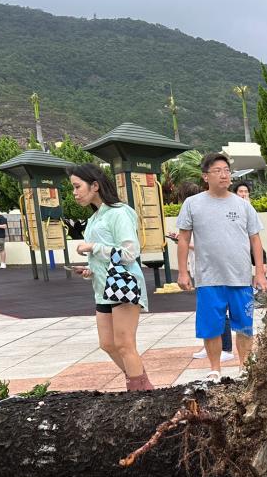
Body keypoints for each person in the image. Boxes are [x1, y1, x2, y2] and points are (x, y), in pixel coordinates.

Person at [176, 153, 267, 381]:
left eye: (227, 170)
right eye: (218, 170)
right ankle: (215, 368)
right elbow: (184, 239)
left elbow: (255, 239)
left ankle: (245, 367)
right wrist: (183, 271)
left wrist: (259, 272)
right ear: (205, 176)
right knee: (211, 327)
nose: (224, 174)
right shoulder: (193, 204)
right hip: (208, 279)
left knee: (245, 326)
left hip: (240, 278)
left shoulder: (243, 205)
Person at [70, 163, 152, 391]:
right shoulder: (96, 217)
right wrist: (90, 269)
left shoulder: (118, 212)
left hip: (122, 285)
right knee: (107, 344)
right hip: (103, 287)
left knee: (125, 345)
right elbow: (104, 255)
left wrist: (94, 247)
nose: (75, 193)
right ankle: (142, 385)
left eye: (78, 187)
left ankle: (138, 394)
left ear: (95, 185)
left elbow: (129, 253)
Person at [168, 184, 235, 364]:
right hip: (202, 269)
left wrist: (182, 241)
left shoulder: (207, 213)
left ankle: (226, 347)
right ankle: (211, 346)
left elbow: (205, 246)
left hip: (214, 269)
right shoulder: (195, 212)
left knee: (220, 309)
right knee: (208, 311)